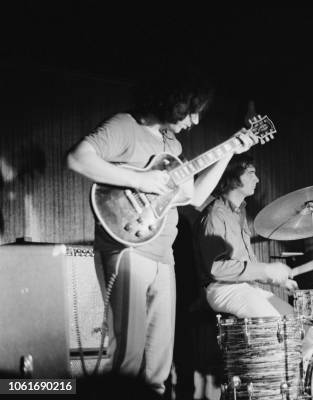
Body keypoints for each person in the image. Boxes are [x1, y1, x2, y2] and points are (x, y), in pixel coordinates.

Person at [65, 70, 257, 395]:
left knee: (158, 364)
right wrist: (141, 180)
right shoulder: (125, 126)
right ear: (174, 102)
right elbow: (78, 159)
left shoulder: (173, 143)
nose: (195, 120)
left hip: (163, 255)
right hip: (128, 249)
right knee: (128, 356)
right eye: (192, 111)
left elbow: (193, 197)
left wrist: (227, 152)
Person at [196, 154, 297, 318]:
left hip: (245, 286)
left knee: (294, 320)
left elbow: (248, 265)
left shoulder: (238, 212)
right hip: (222, 288)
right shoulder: (215, 215)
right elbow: (217, 268)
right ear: (232, 176)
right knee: (275, 323)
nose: (257, 179)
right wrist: (267, 269)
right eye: (251, 173)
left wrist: (277, 279)